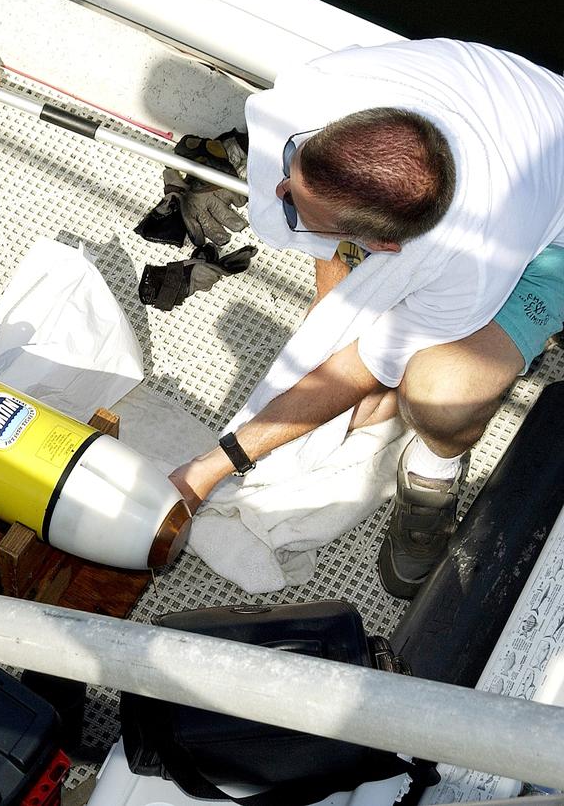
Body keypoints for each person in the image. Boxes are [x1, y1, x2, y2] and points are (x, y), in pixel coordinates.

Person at [167, 38, 564, 598]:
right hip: (511, 150)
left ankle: (433, 472)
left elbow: (351, 371)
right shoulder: (320, 96)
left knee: (438, 393)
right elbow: (324, 221)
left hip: (551, 242)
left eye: (295, 203)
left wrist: (211, 466)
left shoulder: (469, 266)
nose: (277, 188)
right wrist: (330, 317)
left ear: (387, 245)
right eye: (293, 168)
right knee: (329, 235)